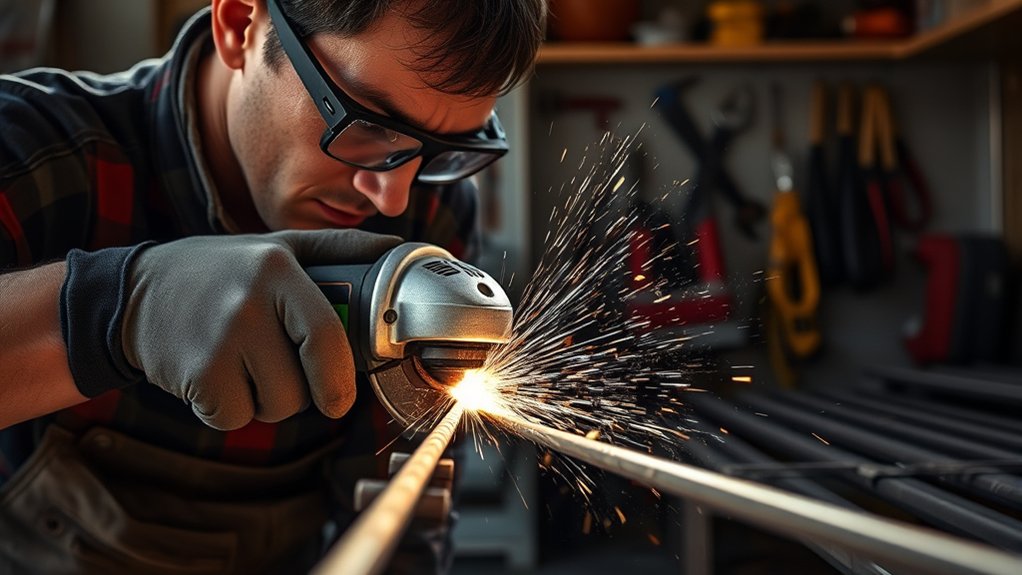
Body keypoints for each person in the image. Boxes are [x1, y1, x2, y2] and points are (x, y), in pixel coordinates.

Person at [0, 0, 546, 573]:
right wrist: (113, 310)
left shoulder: (431, 211)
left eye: (438, 151)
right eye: (370, 125)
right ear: (239, 25)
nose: (393, 198)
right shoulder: (34, 154)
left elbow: (392, 509)